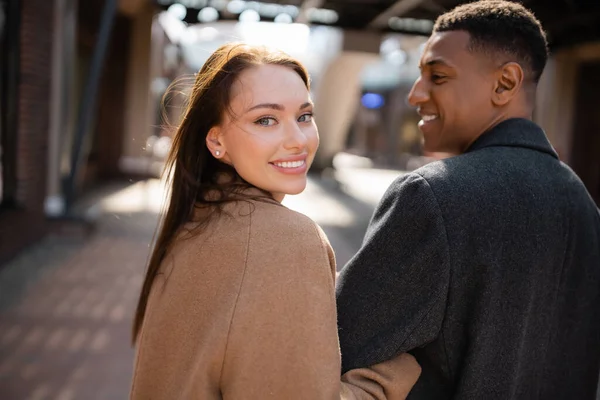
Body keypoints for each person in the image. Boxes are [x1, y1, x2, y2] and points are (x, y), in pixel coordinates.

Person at [336, 1, 600, 399]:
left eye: (437, 76)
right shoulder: (582, 206)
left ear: (505, 84)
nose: (414, 94)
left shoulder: (432, 195)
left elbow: (336, 343)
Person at [129, 43, 420, 399]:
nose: (298, 140)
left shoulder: (193, 224)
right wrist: (392, 374)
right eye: (265, 119)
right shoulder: (286, 240)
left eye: (304, 116)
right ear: (216, 140)